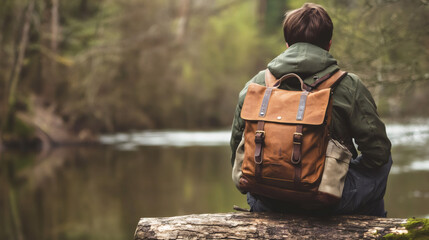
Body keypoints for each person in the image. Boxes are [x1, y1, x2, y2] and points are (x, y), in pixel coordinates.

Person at [230, 3, 392, 217]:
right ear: (329, 44)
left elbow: (237, 150)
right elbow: (377, 153)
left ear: (287, 45)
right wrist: (342, 166)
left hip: (268, 200)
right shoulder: (349, 86)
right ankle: (373, 225)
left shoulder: (257, 84)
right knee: (385, 161)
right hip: (328, 200)